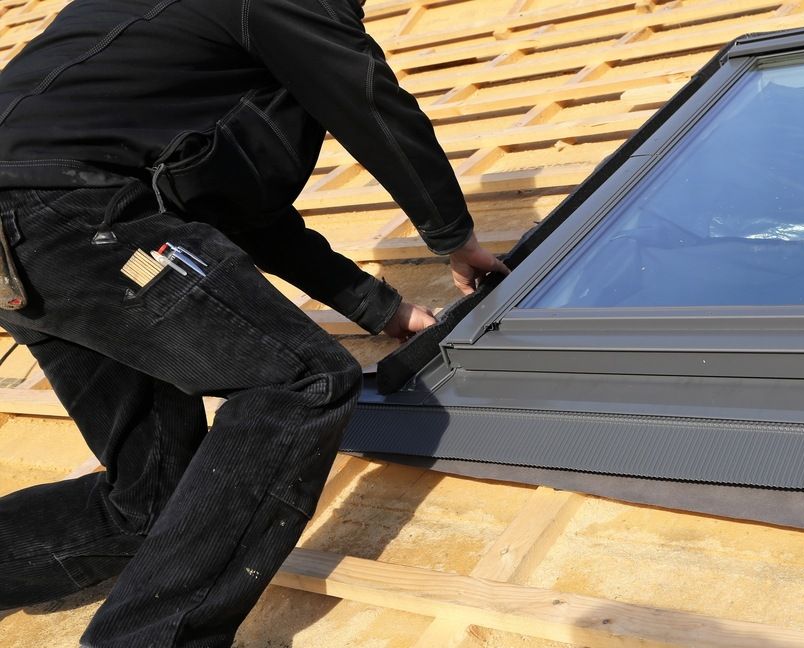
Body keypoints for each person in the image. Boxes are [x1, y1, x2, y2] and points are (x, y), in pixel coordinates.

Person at [0, 0, 509, 645]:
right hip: (72, 212)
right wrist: (456, 240)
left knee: (152, 498)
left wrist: (380, 307)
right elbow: (371, 103)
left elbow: (234, 203)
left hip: (36, 239)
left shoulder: (166, 45)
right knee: (305, 379)